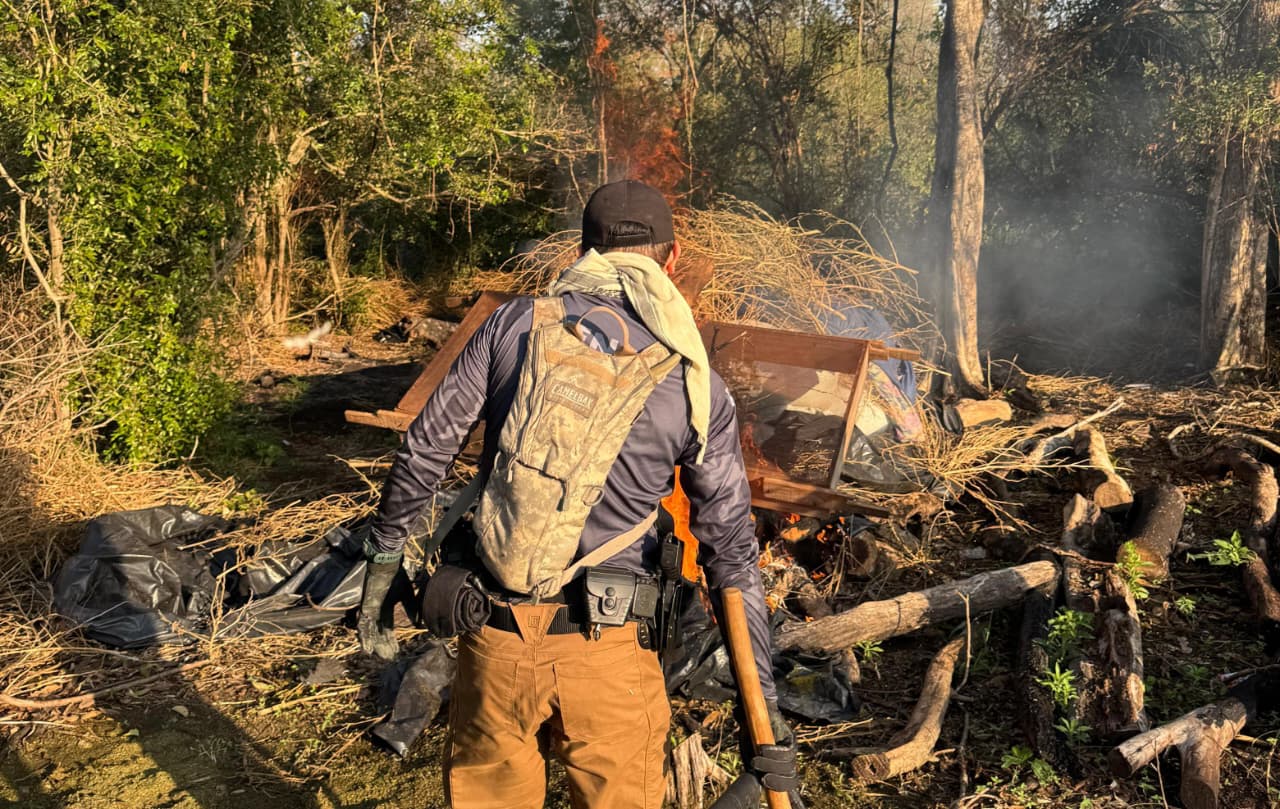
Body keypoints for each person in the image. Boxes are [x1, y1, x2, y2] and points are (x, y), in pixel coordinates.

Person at [357, 179, 799, 809]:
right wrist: (767, 711)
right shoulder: (691, 381)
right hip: (610, 655)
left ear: (583, 250)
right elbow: (729, 554)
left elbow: (426, 446)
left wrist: (381, 560)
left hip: (494, 640)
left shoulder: (511, 326)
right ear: (671, 260)